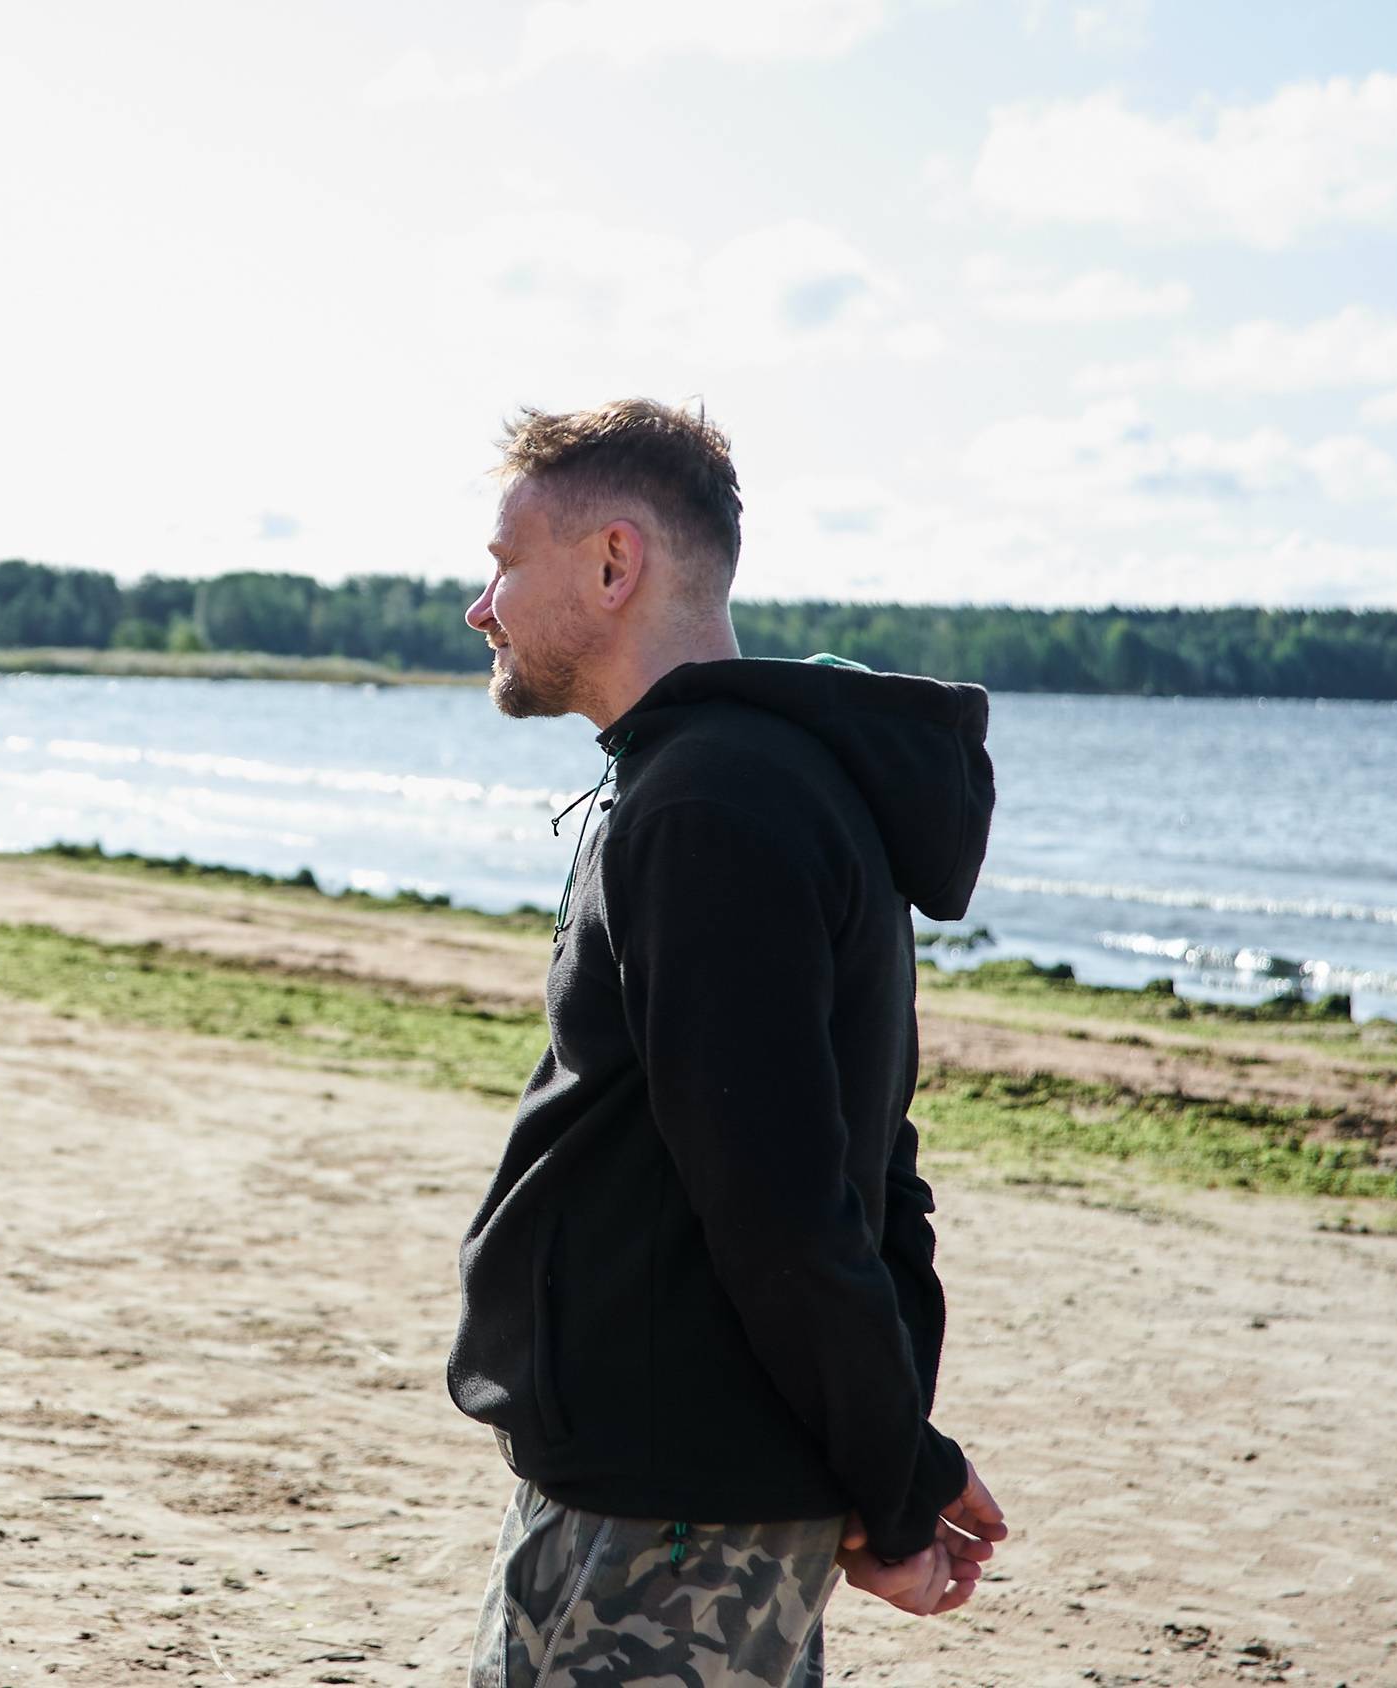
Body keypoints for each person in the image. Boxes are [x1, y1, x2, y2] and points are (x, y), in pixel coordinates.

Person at [447, 400, 1009, 1687]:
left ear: (614, 563)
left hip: (675, 1514)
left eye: (504, 564)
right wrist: (890, 1464)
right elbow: (862, 1166)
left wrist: (895, 1480)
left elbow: (793, 1204)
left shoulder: (714, 803)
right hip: (659, 1492)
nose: (481, 606)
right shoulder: (729, 780)